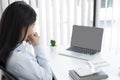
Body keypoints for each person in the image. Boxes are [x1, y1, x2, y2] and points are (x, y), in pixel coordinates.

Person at [0, 1, 53, 80]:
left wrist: (23, 41)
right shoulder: (19, 60)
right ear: (20, 27)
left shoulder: (9, 47)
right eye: (32, 25)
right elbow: (48, 77)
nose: (33, 30)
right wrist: (37, 45)